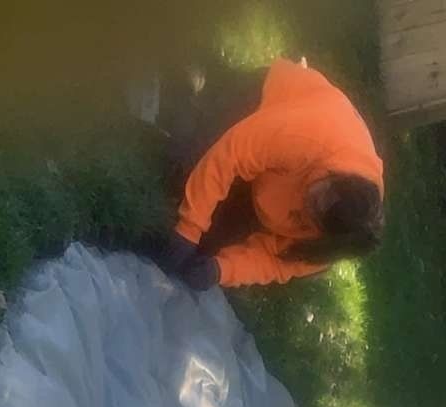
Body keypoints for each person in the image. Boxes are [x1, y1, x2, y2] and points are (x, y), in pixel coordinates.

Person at [152, 57, 385, 291]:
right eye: (319, 193)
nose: (308, 200)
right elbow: (231, 153)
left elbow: (279, 261)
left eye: (313, 212)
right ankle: (185, 86)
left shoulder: (337, 239)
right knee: (180, 172)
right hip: (264, 100)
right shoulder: (309, 137)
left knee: (205, 250)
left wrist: (221, 270)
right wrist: (188, 229)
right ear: (337, 176)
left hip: (271, 185)